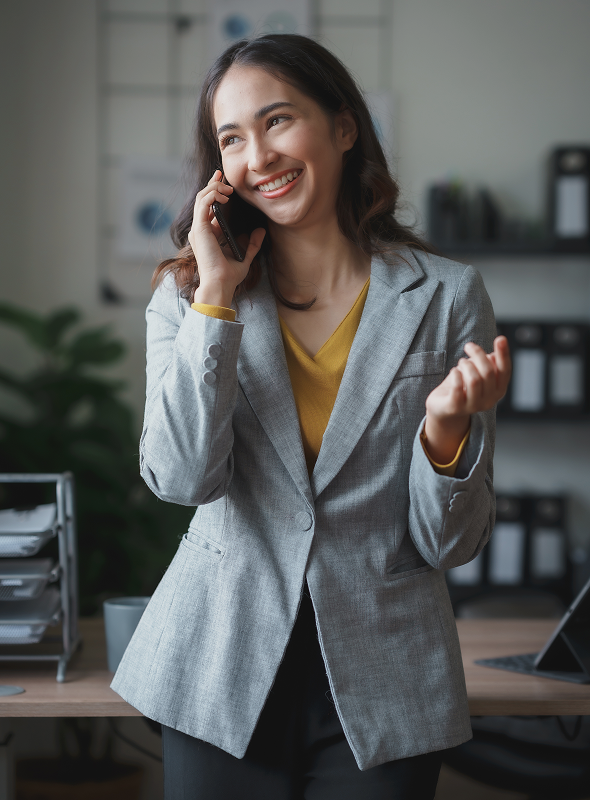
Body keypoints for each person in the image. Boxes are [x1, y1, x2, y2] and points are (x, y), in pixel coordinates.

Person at [111, 34, 511, 799]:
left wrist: (445, 434)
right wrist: (217, 299)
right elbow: (181, 478)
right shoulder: (186, 298)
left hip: (387, 674)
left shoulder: (447, 295)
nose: (258, 155)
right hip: (218, 666)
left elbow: (450, 542)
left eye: (278, 121)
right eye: (232, 138)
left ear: (343, 126)